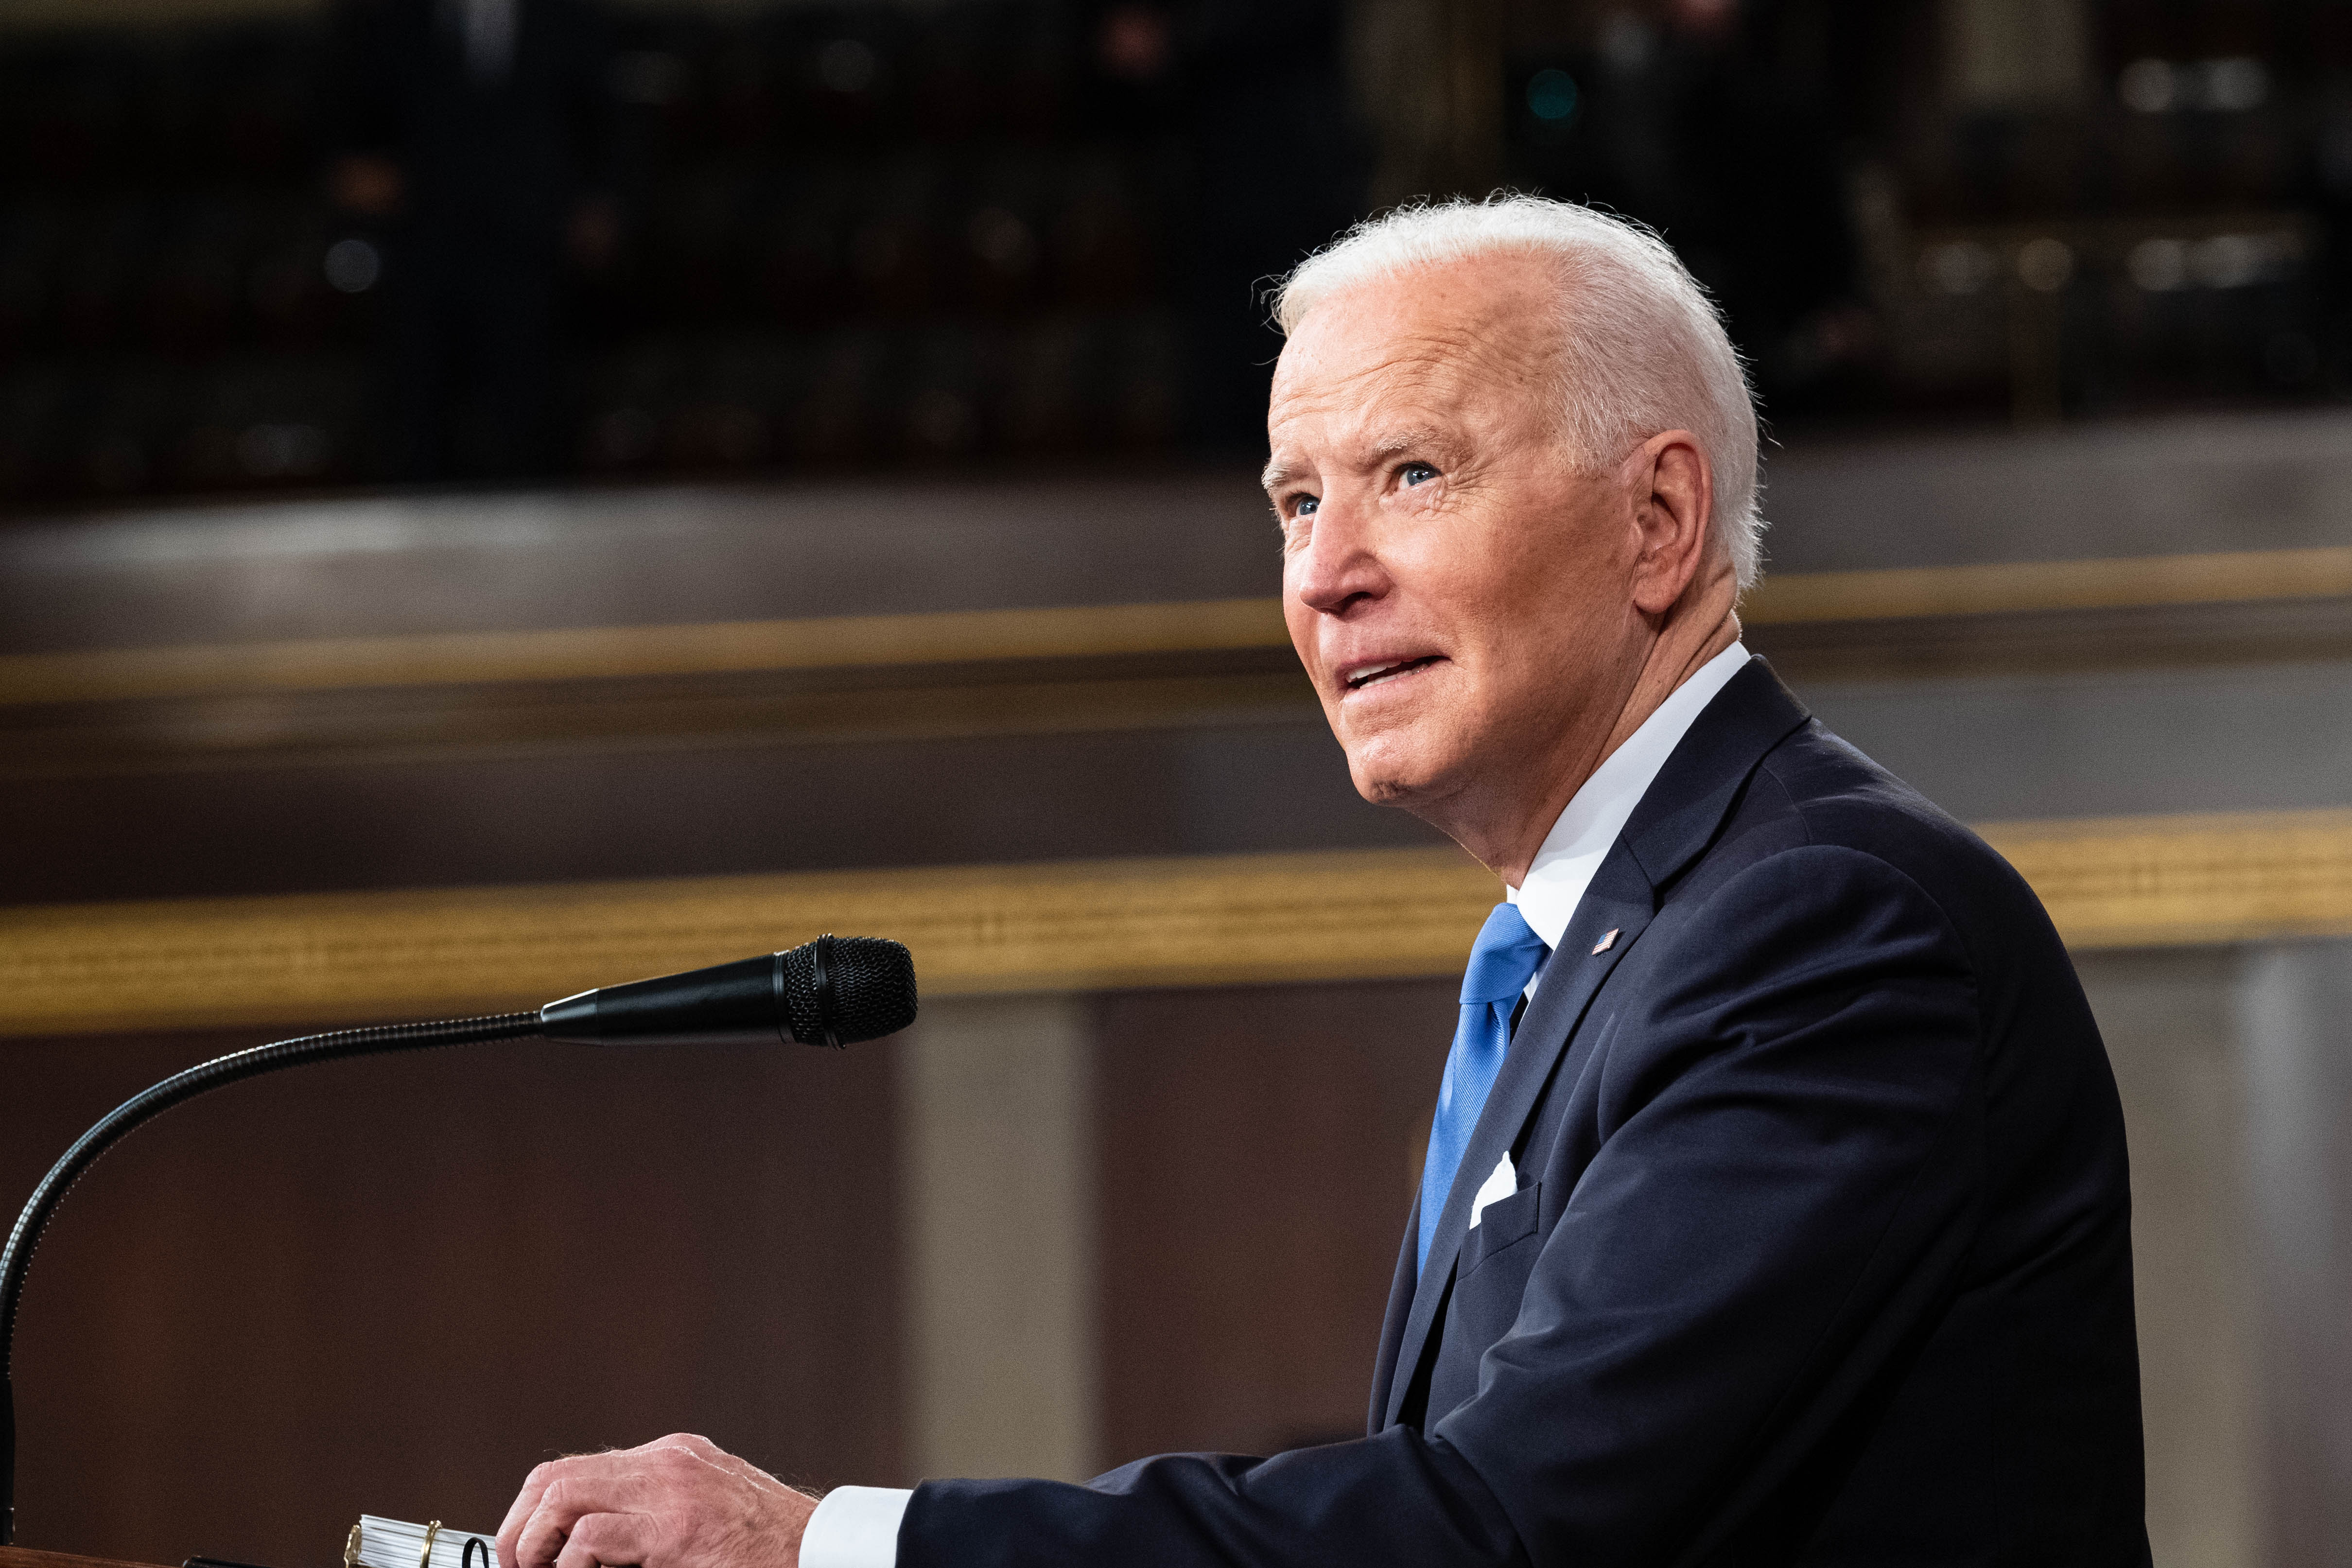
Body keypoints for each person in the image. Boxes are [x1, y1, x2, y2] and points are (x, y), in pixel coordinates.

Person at [493, 196, 2149, 1565]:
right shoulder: (1595, 940)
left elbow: (1513, 1523)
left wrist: (824, 1542)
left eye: (1407, 475)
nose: (1322, 573)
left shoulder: (1820, 923)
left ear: (1655, 519)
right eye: (1295, 498)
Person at [327, 0, 616, 482]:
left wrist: (604, 206)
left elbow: (607, 118)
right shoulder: (383, 16)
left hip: (532, 251)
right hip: (422, 249)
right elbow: (346, 119)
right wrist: (350, 170)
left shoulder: (569, 13)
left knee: (532, 428)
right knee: (419, 429)